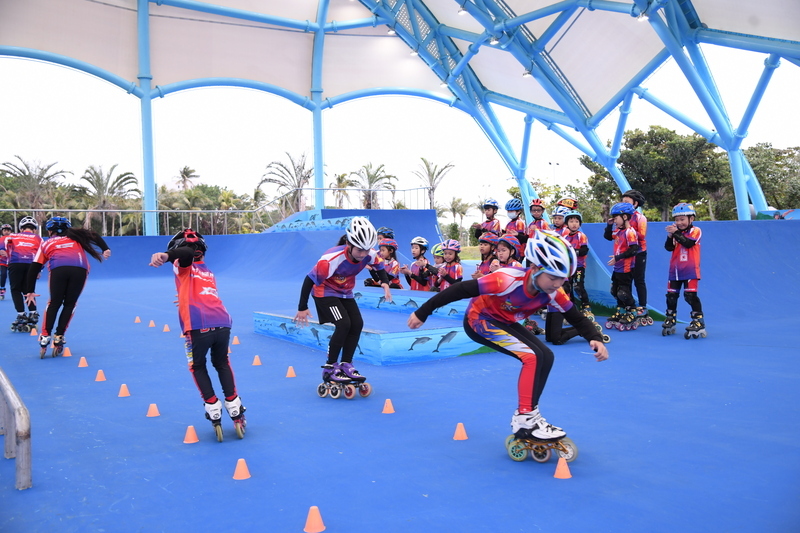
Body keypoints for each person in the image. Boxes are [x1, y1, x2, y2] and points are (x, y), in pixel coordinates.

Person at [408, 230, 608, 441]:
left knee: (546, 356)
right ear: (534, 268)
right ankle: (525, 419)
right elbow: (459, 289)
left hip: (504, 321)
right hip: (479, 320)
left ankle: (530, 413)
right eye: (553, 278)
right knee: (531, 356)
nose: (558, 284)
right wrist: (423, 312)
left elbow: (575, 316)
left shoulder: (553, 292)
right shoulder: (506, 280)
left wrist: (593, 336)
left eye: (562, 278)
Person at [149, 228, 246, 441]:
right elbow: (201, 293)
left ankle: (212, 405)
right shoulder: (208, 271)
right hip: (222, 322)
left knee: (198, 366)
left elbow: (184, 255)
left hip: (198, 326)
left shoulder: (183, 265)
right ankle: (234, 405)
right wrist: (184, 298)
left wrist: (166, 256)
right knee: (221, 363)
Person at [294, 217, 391, 386]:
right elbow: (309, 279)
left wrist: (385, 283)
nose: (363, 254)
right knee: (344, 324)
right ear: (349, 243)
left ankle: (346, 364)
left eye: (366, 250)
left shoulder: (369, 254)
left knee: (357, 324)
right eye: (359, 250)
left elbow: (380, 266)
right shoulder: (331, 259)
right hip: (324, 292)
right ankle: (330, 367)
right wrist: (302, 307)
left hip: (345, 292)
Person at [23, 217, 111, 357]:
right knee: (70, 304)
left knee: (54, 303)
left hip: (59, 269)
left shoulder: (48, 243)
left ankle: (45, 336)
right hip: (80, 270)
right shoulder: (77, 238)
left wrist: (30, 291)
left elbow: (34, 268)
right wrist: (105, 248)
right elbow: (94, 235)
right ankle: (59, 336)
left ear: (50, 231)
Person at [663, 203, 706, 339]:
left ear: (691, 219)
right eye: (677, 220)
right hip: (675, 270)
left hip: (690, 270)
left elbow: (688, 243)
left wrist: (675, 232)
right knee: (671, 296)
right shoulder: (676, 233)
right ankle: (670, 318)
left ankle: (698, 321)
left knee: (690, 296)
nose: (679, 222)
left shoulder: (696, 230)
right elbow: (668, 248)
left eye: (682, 219)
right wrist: (670, 236)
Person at [1, 217, 43, 331]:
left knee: (15, 290)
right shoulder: (38, 238)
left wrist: (2, 250)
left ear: (21, 228)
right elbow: (43, 253)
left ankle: (21, 315)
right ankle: (33, 313)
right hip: (32, 265)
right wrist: (40, 269)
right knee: (29, 291)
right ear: (34, 229)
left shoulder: (12, 236)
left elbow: (3, 244)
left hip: (15, 263)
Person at [603, 202, 639, 329]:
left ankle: (633, 311)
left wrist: (618, 257)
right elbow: (608, 236)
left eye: (616, 217)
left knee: (624, 292)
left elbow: (634, 249)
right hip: (617, 268)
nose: (615, 220)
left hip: (626, 268)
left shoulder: (630, 232)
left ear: (624, 217)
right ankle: (621, 311)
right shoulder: (618, 231)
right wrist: (609, 225)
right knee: (615, 290)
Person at [621, 189, 650, 324]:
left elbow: (642, 235)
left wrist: (628, 229)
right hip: (627, 253)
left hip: (638, 252)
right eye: (623, 201)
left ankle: (643, 307)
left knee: (639, 279)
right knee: (627, 280)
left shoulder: (640, 217)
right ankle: (630, 305)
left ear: (635, 203)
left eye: (627, 201)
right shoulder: (622, 217)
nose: (623, 203)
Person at [562, 210, 591, 314]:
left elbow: (584, 250)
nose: (574, 224)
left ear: (579, 224)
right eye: (571, 221)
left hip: (579, 267)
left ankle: (586, 306)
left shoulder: (581, 235)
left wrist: (573, 252)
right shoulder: (565, 237)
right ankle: (571, 306)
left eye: (576, 221)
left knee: (578, 286)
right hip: (569, 268)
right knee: (567, 287)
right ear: (567, 224)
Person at [0, 223, 12, 300]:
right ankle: (2, 289)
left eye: (8, 230)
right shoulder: (0, 239)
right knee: (3, 274)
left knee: (13, 276)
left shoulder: (13, 239)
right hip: (2, 261)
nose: (6, 232)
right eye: (5, 230)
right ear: (2, 231)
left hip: (11, 261)